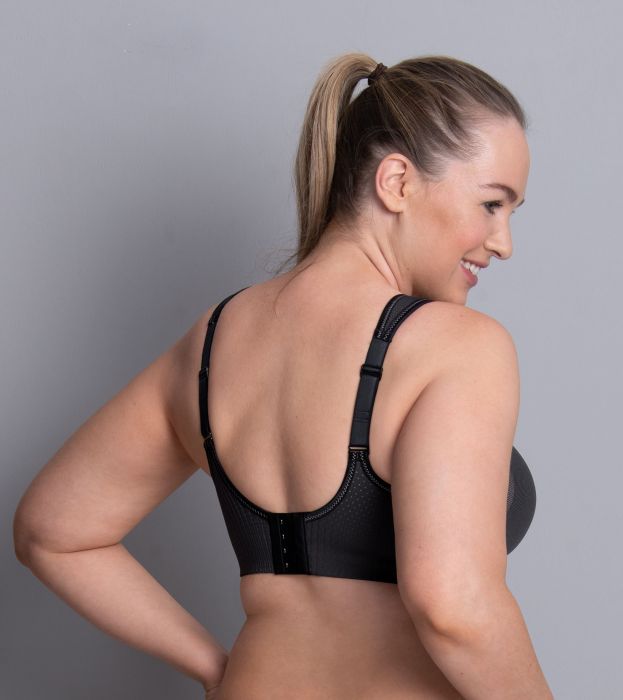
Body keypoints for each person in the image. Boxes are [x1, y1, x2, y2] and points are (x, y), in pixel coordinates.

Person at [13, 52, 552, 698]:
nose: (504, 242)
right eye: (492, 204)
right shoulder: (458, 346)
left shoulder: (213, 342)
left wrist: (215, 667)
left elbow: (52, 532)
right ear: (397, 183)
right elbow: (454, 606)